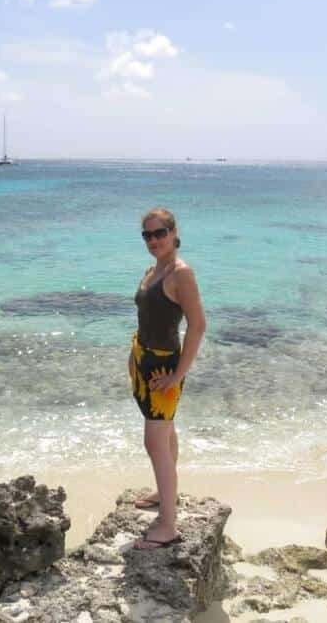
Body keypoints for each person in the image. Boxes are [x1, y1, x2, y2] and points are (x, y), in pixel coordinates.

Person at [129, 207, 206, 550]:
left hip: (163, 370)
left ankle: (167, 526)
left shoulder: (180, 274)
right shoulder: (153, 270)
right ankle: (165, 493)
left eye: (160, 233)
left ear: (174, 233)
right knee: (167, 434)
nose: (154, 240)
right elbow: (149, 316)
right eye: (147, 235)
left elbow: (198, 325)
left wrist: (177, 375)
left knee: (155, 442)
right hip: (144, 364)